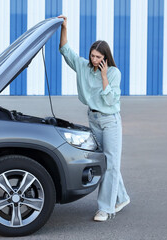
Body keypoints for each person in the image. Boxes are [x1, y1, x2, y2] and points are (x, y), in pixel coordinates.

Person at [58, 15, 130, 222]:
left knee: (112, 163)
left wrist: (105, 76)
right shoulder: (83, 67)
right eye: (92, 56)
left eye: (99, 57)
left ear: (106, 58)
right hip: (94, 119)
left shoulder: (114, 73)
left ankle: (105, 209)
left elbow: (110, 100)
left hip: (110, 121)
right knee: (106, 162)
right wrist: (64, 27)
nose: (94, 60)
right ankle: (122, 197)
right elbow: (65, 51)